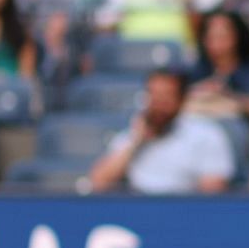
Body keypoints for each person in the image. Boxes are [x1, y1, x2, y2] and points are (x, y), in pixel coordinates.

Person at [87, 69, 236, 194]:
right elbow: (98, 182)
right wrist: (136, 142)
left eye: (166, 97)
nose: (158, 105)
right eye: (154, 96)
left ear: (181, 100)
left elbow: (213, 194)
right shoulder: (132, 136)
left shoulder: (206, 135)